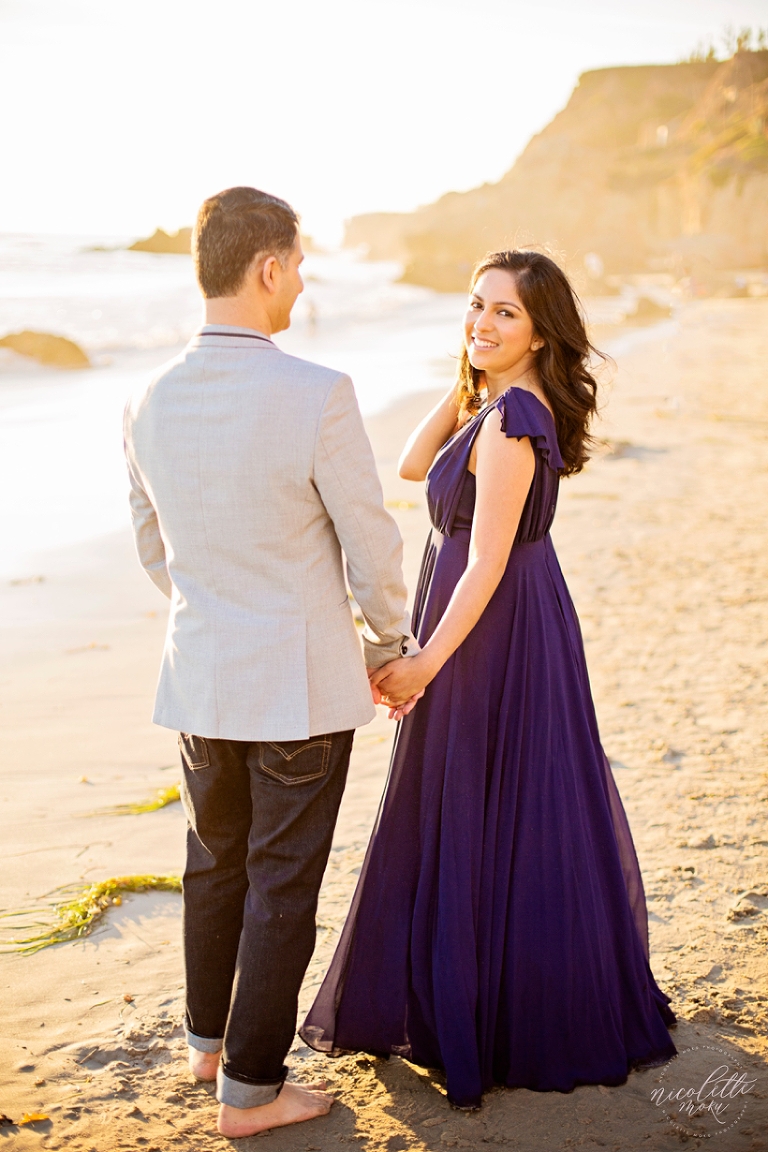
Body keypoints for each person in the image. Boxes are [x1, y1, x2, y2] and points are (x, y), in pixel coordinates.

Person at [301, 249, 677, 1109]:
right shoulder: (499, 405)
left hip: (489, 627)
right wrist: (469, 373)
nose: (482, 322)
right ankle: (480, 998)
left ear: (543, 329)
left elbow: (489, 563)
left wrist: (425, 661)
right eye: (476, 307)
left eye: (506, 313)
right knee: (492, 801)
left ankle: (497, 1015)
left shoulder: (513, 419)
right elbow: (409, 462)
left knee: (486, 801)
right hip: (503, 618)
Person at [123, 186, 419, 1137]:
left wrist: (216, 613)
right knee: (281, 879)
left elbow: (153, 548)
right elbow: (371, 546)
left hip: (201, 674)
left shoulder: (145, 396)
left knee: (213, 864)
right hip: (295, 688)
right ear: (267, 268)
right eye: (298, 263)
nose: (303, 281)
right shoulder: (316, 393)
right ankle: (250, 1092)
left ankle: (207, 1042)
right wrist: (391, 646)